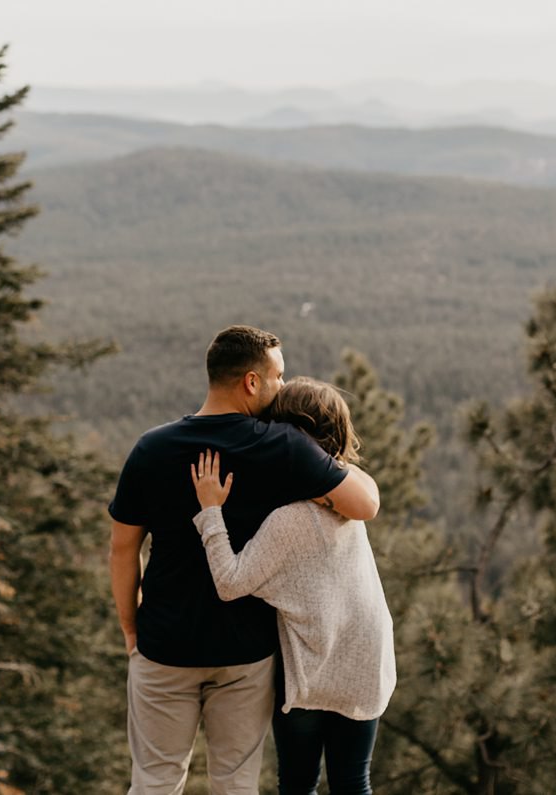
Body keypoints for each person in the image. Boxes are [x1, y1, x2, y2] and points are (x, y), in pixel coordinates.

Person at [109, 325, 381, 795]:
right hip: (245, 651)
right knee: (235, 782)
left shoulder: (151, 448)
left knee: (154, 780)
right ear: (251, 382)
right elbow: (364, 506)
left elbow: (122, 548)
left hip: (164, 643)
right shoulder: (282, 446)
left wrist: (132, 626)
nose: (281, 388)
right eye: (278, 377)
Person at [189, 378, 394, 795]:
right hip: (366, 659)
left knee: (299, 784)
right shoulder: (348, 495)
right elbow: (363, 488)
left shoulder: (289, 519)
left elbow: (230, 583)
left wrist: (211, 512)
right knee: (354, 782)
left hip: (310, 668)